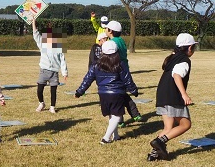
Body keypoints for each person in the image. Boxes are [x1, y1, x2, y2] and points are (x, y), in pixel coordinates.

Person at [75, 40, 138, 144]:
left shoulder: (96, 65)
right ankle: (106, 138)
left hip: (103, 94)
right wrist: (134, 90)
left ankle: (116, 136)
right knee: (117, 116)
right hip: (117, 93)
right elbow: (128, 79)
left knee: (112, 115)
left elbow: (87, 79)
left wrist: (79, 92)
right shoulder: (121, 64)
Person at [147, 33, 197, 161]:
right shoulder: (184, 60)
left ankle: (154, 154)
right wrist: (184, 94)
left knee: (168, 128)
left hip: (162, 95)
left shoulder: (173, 58)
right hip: (172, 96)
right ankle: (159, 141)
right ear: (190, 47)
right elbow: (176, 75)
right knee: (186, 124)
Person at [104, 20, 143, 127]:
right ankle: (133, 114)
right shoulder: (121, 40)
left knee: (116, 97)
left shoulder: (111, 43)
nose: (105, 30)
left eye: (106, 28)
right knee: (121, 95)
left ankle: (120, 121)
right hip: (124, 69)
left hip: (115, 71)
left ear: (110, 31)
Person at [32, 18, 68, 114]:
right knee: (39, 89)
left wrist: (64, 72)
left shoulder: (59, 46)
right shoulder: (43, 43)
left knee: (53, 91)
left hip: (54, 72)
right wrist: (33, 23)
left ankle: (52, 107)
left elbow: (62, 60)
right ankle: (41, 103)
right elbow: (35, 34)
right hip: (44, 70)